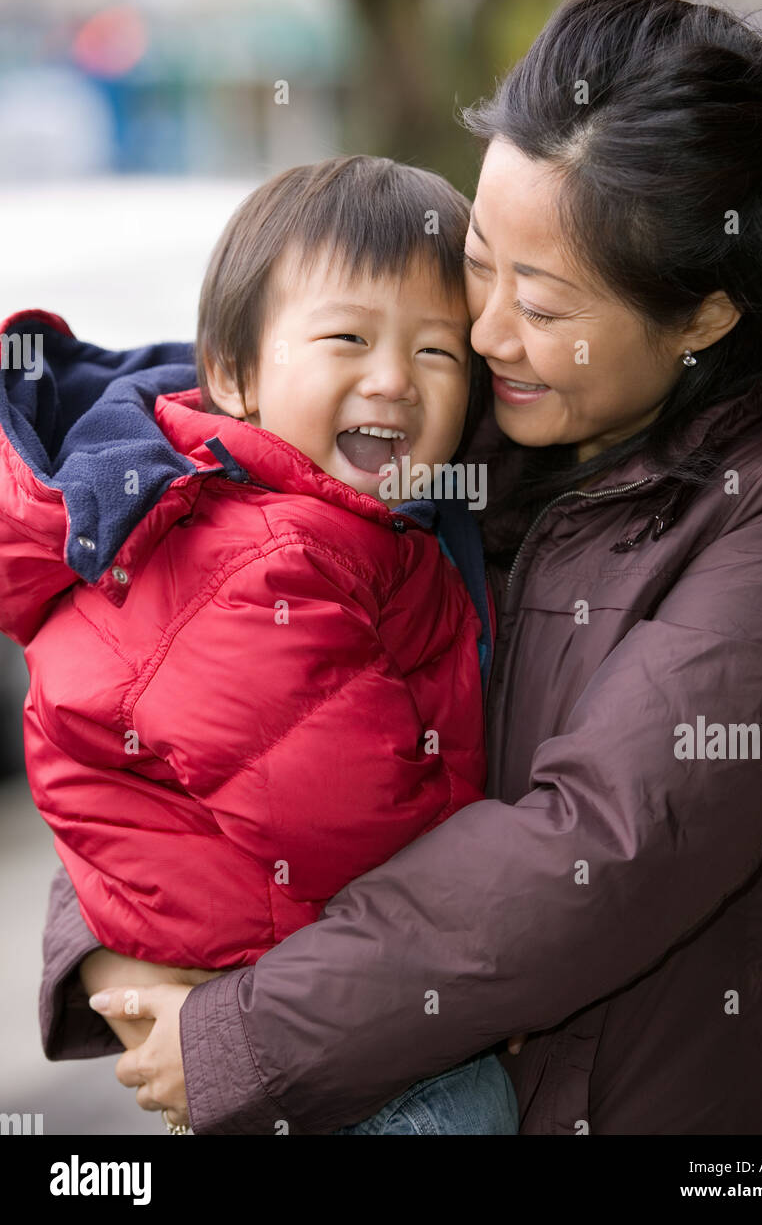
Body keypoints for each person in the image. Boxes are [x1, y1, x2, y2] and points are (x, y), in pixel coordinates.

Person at [34, 0, 762, 1135]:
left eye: (540, 299)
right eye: (480, 261)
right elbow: (148, 696)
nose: (480, 336)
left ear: (701, 318)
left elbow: (596, 853)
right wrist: (114, 965)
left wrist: (244, 1033)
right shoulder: (422, 416)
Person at [0, 155, 518, 1135]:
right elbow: (342, 820)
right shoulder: (260, 547)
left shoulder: (348, 523)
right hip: (267, 982)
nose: (392, 379)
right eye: (347, 338)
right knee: (462, 1106)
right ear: (233, 373)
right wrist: (502, 930)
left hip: (267, 978)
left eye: (438, 353)